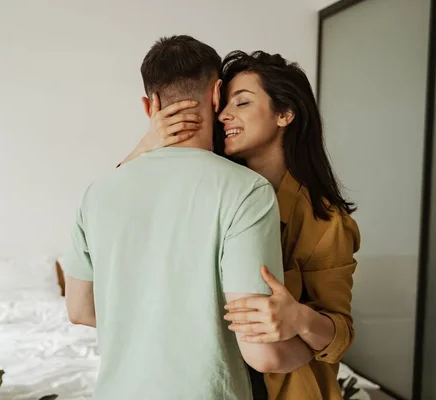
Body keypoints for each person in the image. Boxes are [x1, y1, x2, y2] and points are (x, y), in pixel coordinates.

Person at [63, 36, 313, 400]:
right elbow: (263, 353)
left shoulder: (97, 193)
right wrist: (313, 349)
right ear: (216, 96)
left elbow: (79, 310)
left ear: (150, 106)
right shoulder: (247, 191)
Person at [122, 50, 361, 400]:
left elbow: (339, 334)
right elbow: (114, 209)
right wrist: (146, 146)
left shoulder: (325, 222)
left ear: (284, 114)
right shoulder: (208, 190)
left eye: (243, 102)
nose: (223, 115)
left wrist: (298, 319)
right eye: (223, 104)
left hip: (283, 385)